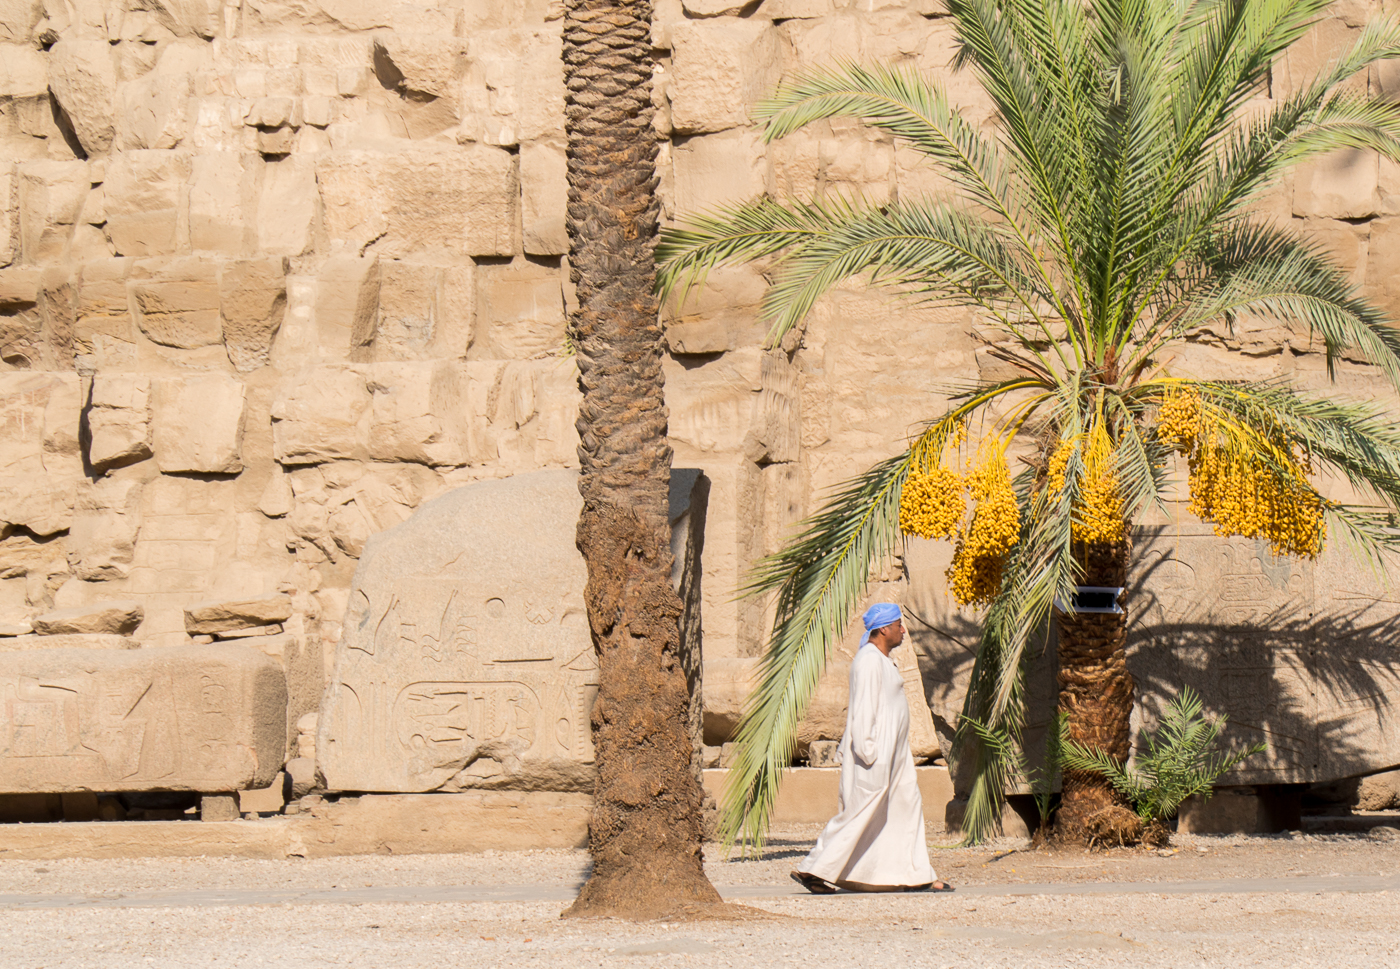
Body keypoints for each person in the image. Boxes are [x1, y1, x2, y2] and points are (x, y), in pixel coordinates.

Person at [791, 603, 953, 894]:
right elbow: (863, 711)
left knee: (905, 807)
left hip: (894, 756)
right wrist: (869, 753)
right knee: (859, 812)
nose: (903, 630)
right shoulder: (867, 661)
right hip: (874, 754)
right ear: (883, 629)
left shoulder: (882, 660)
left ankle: (916, 875)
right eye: (898, 625)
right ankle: (814, 868)